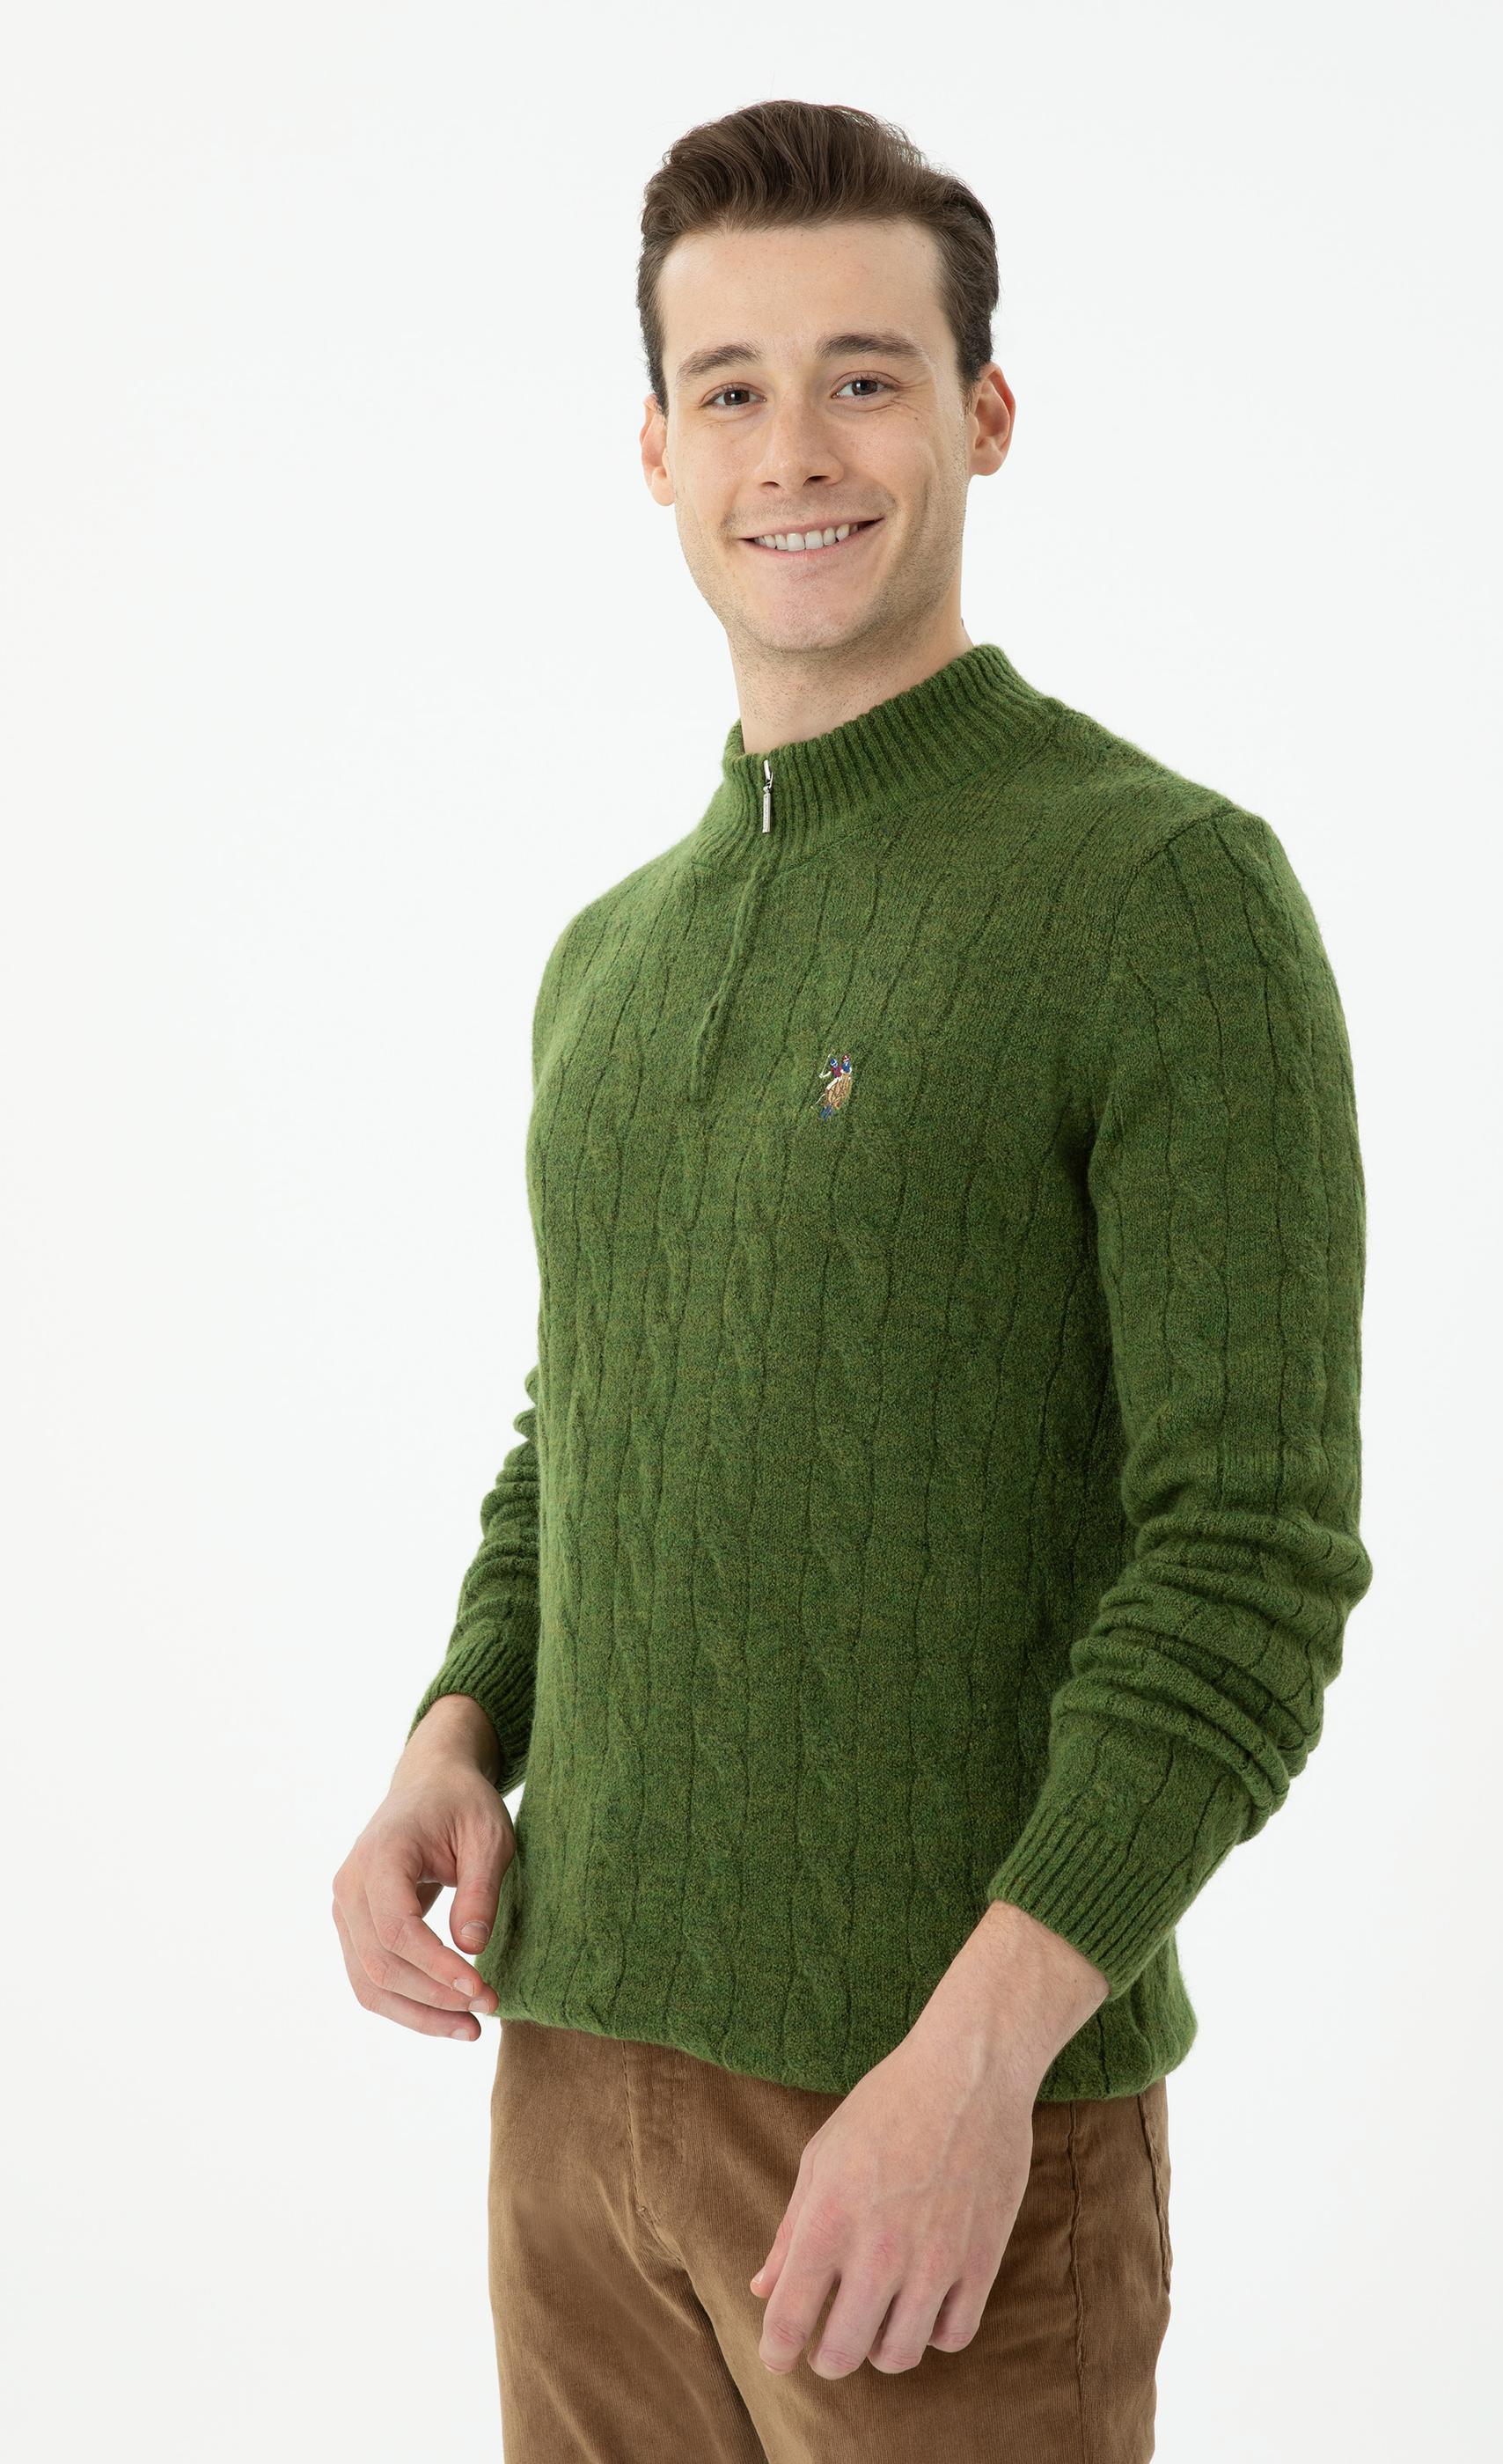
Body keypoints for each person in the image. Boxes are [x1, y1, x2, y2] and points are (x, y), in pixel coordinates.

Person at [331, 96, 1373, 2462]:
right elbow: (586, 1430)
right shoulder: (610, 956)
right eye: (732, 387)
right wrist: (457, 1725)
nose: (795, 448)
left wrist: (980, 2060)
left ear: (983, 415)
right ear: (656, 450)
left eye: (865, 377)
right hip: (568, 2100)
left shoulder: (1163, 894)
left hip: (937, 2135)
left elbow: (1252, 1556)